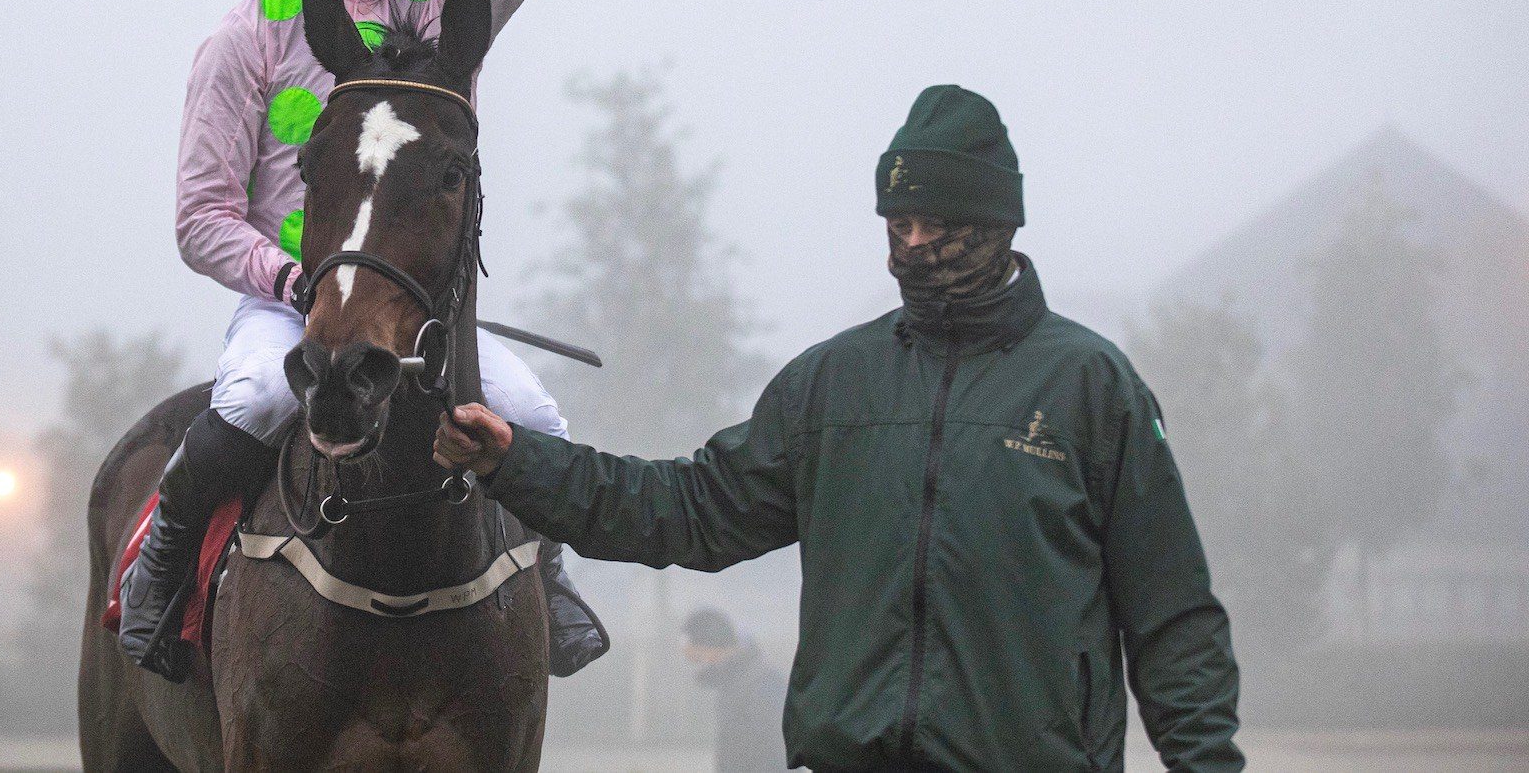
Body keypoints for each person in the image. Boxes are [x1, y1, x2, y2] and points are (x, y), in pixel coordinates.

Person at [437, 86, 1243, 772]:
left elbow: (1173, 617)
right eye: (899, 222)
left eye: (938, 222)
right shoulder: (833, 384)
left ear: (999, 222)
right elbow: (686, 507)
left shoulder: (1091, 387)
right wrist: (516, 460)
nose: (915, 244)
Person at [119, 0, 607, 683]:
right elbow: (201, 216)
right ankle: (162, 558)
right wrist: (297, 278)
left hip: (418, 306)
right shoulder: (251, 30)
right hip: (291, 301)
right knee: (261, 390)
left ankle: (549, 582)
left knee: (538, 416)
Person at [683, 607, 789, 773]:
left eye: (696, 657)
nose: (697, 666)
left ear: (711, 648)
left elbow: (776, 751)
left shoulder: (761, 685)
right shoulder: (735, 682)